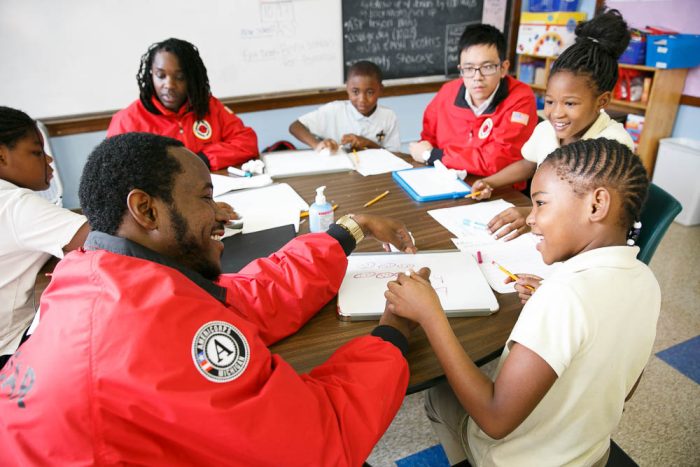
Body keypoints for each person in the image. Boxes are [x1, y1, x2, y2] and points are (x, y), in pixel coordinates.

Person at [0, 132, 420, 465]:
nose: (220, 213)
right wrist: (393, 334)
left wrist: (348, 230)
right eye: (205, 197)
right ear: (146, 210)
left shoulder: (95, 273)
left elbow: (252, 295)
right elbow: (321, 443)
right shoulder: (154, 330)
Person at [385, 138, 660, 466]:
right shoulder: (646, 280)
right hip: (590, 456)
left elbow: (495, 419)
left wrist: (431, 315)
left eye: (541, 203)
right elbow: (623, 390)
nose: (531, 219)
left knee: (439, 395)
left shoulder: (564, 297)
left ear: (596, 205)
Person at [472, 9, 634, 241]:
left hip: (589, 244)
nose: (556, 113)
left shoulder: (613, 144)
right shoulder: (547, 129)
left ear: (603, 101)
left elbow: (594, 213)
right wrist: (489, 182)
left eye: (570, 103)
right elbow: (529, 164)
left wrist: (532, 214)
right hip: (547, 234)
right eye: (549, 101)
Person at [0, 106, 89, 370]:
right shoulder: (14, 203)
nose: (48, 160)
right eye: (36, 152)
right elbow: (99, 238)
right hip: (7, 351)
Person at [409, 24, 537, 182]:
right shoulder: (447, 93)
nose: (477, 77)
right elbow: (427, 140)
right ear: (460, 69)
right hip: (447, 182)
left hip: (500, 188)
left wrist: (433, 155)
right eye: (468, 68)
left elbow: (498, 159)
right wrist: (430, 155)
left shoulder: (520, 97)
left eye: (487, 67)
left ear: (503, 68)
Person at [107, 38, 258, 170]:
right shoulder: (127, 120)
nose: (169, 85)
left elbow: (247, 142)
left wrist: (203, 159)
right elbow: (114, 167)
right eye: (161, 76)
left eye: (179, 77)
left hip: (211, 194)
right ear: (150, 74)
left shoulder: (209, 107)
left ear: (191, 78)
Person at [289, 60, 401, 153]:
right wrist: (317, 144)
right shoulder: (334, 110)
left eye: (370, 92)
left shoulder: (388, 116)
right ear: (347, 88)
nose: (362, 99)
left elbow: (395, 154)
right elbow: (295, 126)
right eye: (355, 92)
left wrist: (368, 143)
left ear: (381, 90)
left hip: (373, 175)